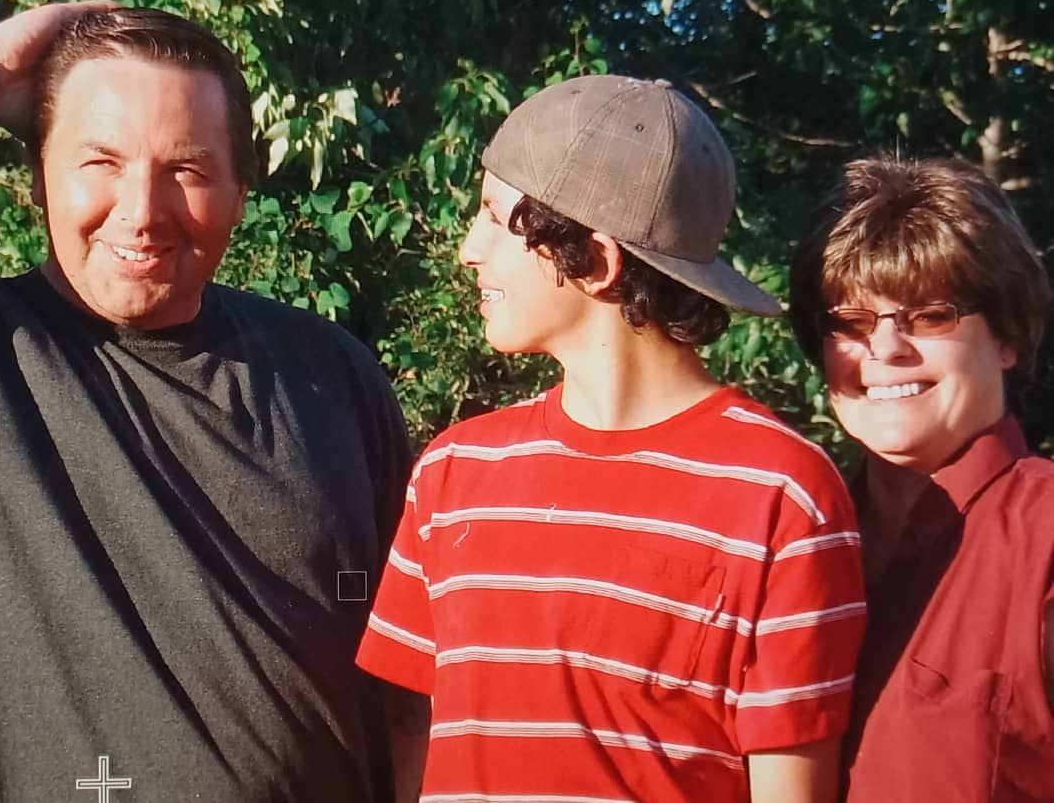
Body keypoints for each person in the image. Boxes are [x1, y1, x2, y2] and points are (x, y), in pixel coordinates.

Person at [0, 2, 417, 801]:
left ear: (239, 191)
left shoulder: (329, 373)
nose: (142, 210)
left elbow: (409, 678)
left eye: (188, 169)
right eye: (100, 161)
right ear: (38, 178)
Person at [356, 74, 867, 802]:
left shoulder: (782, 493)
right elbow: (416, 737)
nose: (469, 250)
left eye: (496, 220)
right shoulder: (453, 471)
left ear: (594, 261)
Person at [788, 157, 1054, 802]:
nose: (884, 349)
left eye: (930, 315)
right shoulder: (785, 533)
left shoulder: (1046, 541)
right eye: (850, 321)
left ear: (1008, 338)